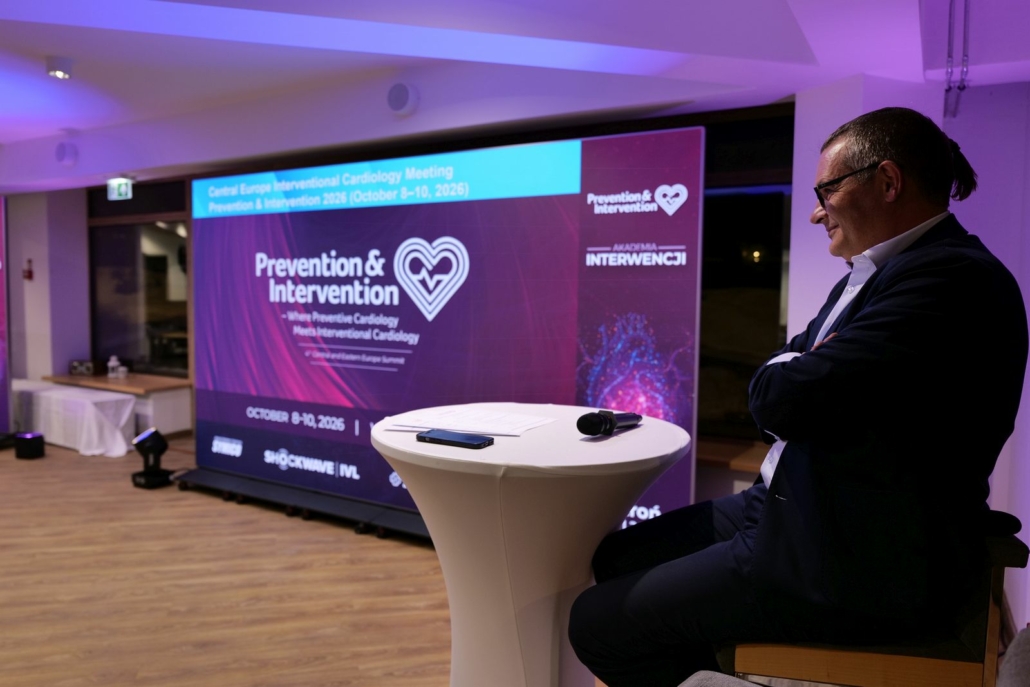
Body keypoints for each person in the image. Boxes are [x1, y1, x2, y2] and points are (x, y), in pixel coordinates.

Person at [567, 107, 1029, 687]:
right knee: (614, 560)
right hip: (790, 505)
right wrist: (800, 368)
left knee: (594, 624)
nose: (815, 212)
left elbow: (780, 398)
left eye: (827, 190)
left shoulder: (952, 280)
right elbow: (778, 384)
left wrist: (798, 370)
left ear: (888, 181)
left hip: (849, 554)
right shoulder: (877, 273)